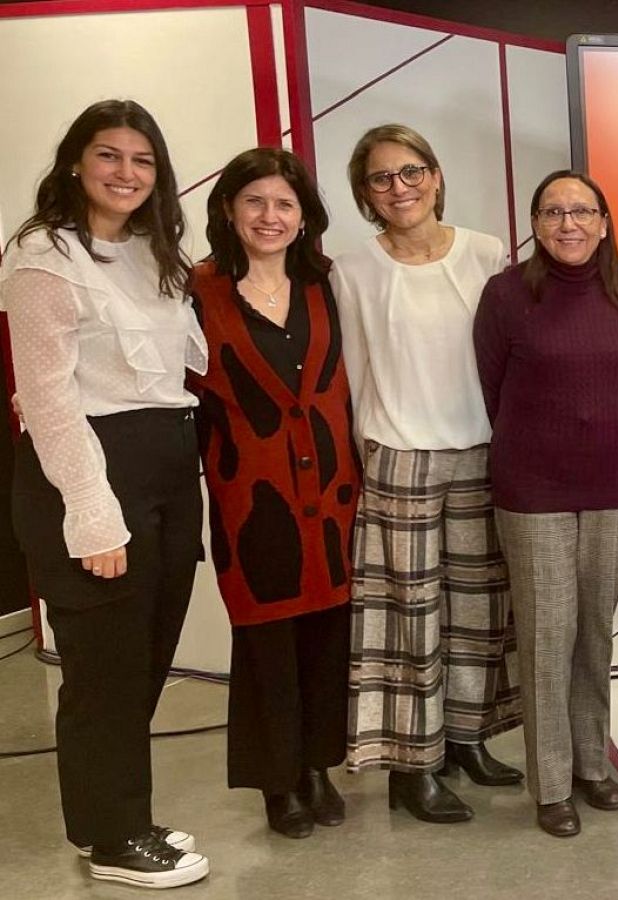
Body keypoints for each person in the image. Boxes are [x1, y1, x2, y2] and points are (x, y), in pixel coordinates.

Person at [1, 99, 210, 888]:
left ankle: (116, 816)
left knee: (148, 656)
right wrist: (92, 512)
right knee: (103, 668)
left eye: (142, 160)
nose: (126, 173)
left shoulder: (156, 252)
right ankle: (114, 840)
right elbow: (48, 400)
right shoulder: (44, 257)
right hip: (88, 470)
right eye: (108, 157)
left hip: (163, 463)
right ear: (76, 165)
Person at [335, 124, 521, 823]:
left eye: (411, 171)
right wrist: (367, 460)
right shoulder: (352, 271)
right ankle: (413, 767)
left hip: (480, 450)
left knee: (477, 614)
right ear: (365, 195)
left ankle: (467, 738)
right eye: (381, 179)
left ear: (436, 176)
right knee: (410, 621)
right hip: (400, 458)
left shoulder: (485, 252)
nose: (399, 187)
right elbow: (353, 375)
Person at [474, 170, 618, 838]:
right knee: (547, 637)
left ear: (604, 223)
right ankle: (551, 784)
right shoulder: (505, 296)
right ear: (536, 224)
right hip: (535, 490)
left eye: (581, 212)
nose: (568, 224)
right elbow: (493, 386)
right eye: (553, 212)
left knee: (595, 632)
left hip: (612, 485)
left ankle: (591, 762)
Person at [188, 147, 359, 840]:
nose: (270, 216)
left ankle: (318, 766)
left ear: (303, 216)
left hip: (332, 489)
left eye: (284, 204)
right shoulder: (198, 290)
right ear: (229, 209)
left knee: (325, 632)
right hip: (249, 493)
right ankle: (277, 781)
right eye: (254, 201)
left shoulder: (324, 283)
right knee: (265, 637)